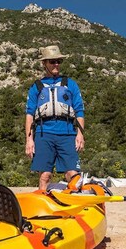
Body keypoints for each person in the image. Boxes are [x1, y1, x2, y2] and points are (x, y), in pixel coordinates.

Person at [24, 45, 85, 191]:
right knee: (45, 175)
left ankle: (74, 208)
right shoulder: (36, 87)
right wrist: (29, 140)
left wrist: (80, 134)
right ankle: (43, 211)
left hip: (67, 133)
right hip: (44, 134)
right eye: (52, 61)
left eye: (58, 61)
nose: (56, 64)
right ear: (44, 64)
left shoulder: (70, 84)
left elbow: (79, 111)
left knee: (73, 175)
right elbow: (29, 114)